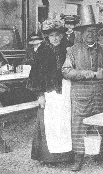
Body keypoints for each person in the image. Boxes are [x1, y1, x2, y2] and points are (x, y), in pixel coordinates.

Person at [62, 4, 103, 172]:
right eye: (87, 32)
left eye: (93, 31)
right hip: (81, 96)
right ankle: (78, 157)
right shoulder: (72, 51)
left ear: (97, 33)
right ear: (81, 33)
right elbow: (65, 71)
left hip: (102, 95)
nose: (90, 35)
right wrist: (84, 74)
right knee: (80, 125)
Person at [30, 19, 73, 164]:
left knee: (66, 122)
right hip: (49, 92)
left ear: (62, 36)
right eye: (52, 35)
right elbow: (35, 74)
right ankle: (49, 157)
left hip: (66, 90)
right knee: (49, 123)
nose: (55, 38)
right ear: (47, 37)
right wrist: (39, 94)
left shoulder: (68, 49)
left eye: (58, 35)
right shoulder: (42, 50)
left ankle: (66, 155)